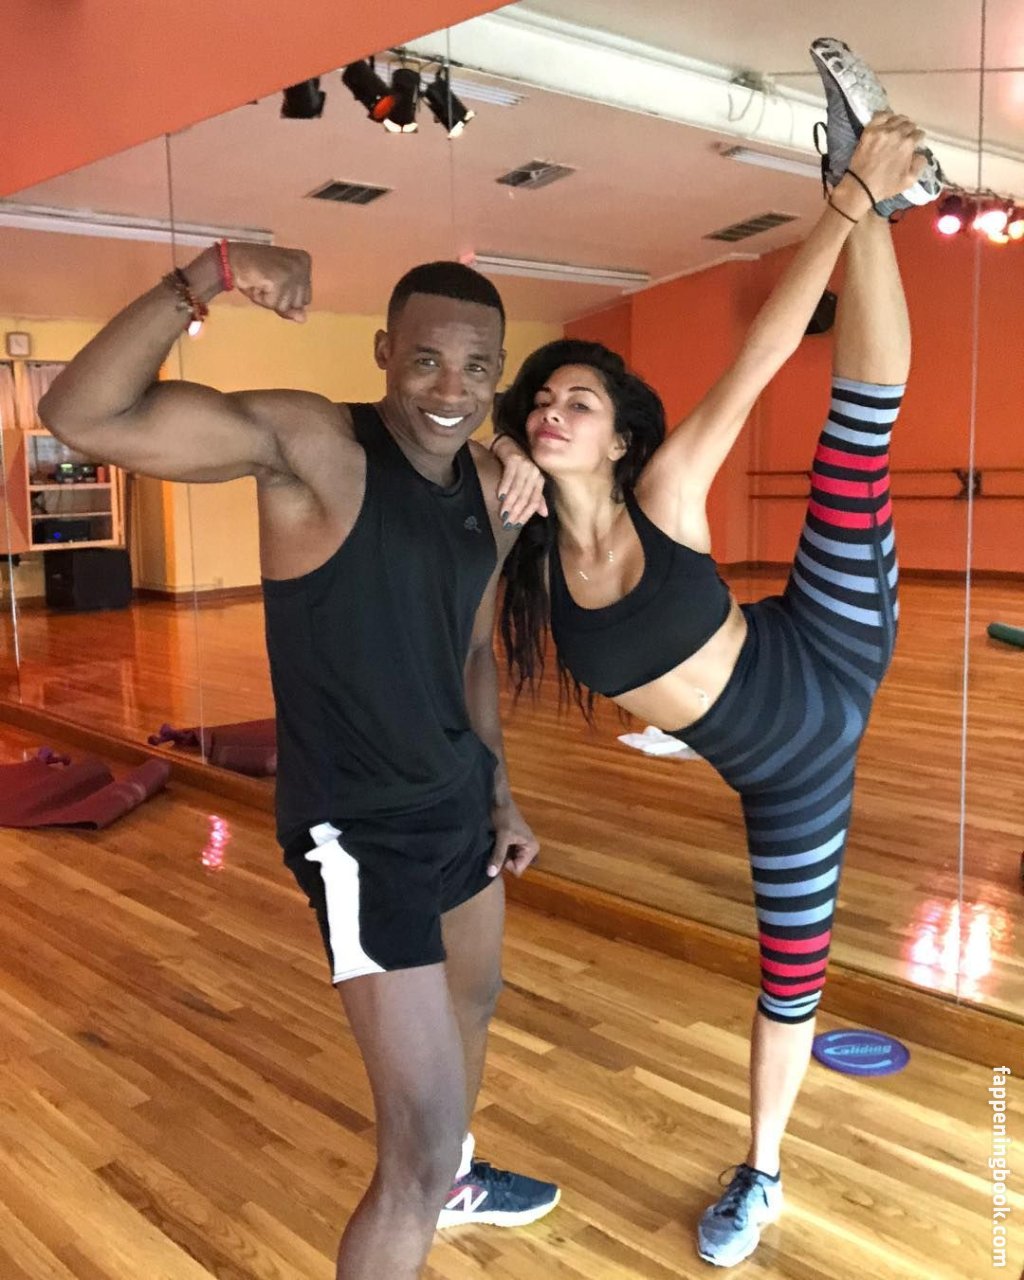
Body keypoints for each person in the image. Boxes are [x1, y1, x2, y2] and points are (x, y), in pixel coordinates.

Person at [492, 39, 942, 1269]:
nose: (553, 410)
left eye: (578, 401)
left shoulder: (666, 494)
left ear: (617, 435)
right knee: (789, 979)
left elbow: (760, 356)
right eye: (543, 400)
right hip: (785, 777)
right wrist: (504, 456)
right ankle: (764, 1172)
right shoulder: (529, 555)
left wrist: (841, 206)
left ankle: (876, 191)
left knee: (855, 435)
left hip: (827, 647)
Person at [38, 250, 556, 1279]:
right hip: (361, 832)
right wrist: (210, 275)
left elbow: (468, 650)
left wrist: (501, 793)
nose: (450, 389)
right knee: (410, 1155)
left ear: (498, 374)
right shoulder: (318, 446)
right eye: (425, 360)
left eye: (476, 368)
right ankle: (434, 1178)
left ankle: (455, 1177)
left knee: (475, 1005)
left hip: (459, 806)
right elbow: (81, 415)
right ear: (384, 352)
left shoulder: (492, 487)